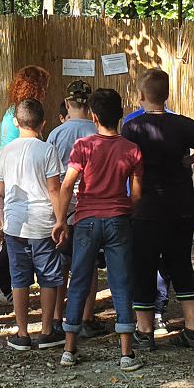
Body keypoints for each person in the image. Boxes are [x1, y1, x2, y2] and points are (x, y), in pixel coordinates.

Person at [122, 69, 194, 352]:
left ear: (141, 95)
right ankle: (193, 329)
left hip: (146, 207)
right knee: (181, 264)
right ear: (166, 95)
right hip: (181, 206)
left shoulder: (132, 127)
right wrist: (191, 160)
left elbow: (125, 162)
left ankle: (145, 332)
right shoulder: (181, 124)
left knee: (144, 267)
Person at [54, 88, 144, 370]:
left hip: (86, 220)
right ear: (120, 115)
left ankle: (69, 349)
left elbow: (67, 185)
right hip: (119, 219)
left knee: (79, 279)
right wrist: (126, 211)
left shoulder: (83, 146)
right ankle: (126, 353)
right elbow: (137, 194)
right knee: (121, 282)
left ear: (94, 116)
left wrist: (60, 220)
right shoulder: (132, 149)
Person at [0, 98, 67, 351]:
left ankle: (22, 332)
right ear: (43, 123)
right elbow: (54, 189)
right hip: (43, 223)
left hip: (15, 224)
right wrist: (60, 220)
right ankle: (46, 331)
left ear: (16, 122)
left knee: (19, 278)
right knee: (48, 277)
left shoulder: (5, 151)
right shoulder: (47, 150)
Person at [0, 65, 51, 307]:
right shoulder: (23, 116)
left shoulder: (13, 112)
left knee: (14, 238)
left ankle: (1, 287)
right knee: (16, 240)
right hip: (17, 183)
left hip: (11, 180)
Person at [47, 81, 98, 160]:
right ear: (89, 104)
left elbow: (46, 163)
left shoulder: (55, 134)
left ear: (66, 103)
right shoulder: (99, 131)